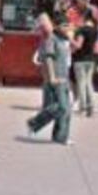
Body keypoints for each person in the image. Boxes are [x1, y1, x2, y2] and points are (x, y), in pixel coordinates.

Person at [26, 13, 74, 145]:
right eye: (64, 26)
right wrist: (52, 77)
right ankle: (34, 123)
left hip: (64, 77)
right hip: (56, 77)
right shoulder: (51, 39)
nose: (67, 28)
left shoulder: (64, 40)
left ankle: (60, 137)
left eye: (68, 25)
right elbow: (48, 58)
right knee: (61, 107)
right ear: (56, 26)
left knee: (66, 109)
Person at [71, 13, 98, 117]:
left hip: (80, 59)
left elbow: (78, 45)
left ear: (83, 19)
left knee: (81, 84)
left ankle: (82, 108)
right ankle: (91, 107)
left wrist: (70, 40)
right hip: (91, 59)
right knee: (89, 83)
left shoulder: (82, 30)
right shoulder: (95, 31)